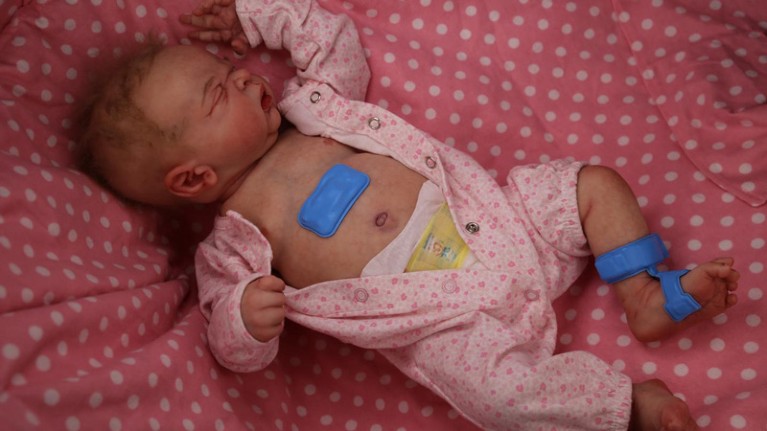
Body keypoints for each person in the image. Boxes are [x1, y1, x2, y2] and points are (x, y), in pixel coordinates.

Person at [77, 0, 740, 429]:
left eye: (230, 70)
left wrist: (255, 17)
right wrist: (246, 316)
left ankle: (643, 291)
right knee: (499, 399)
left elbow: (329, 38)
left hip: (497, 222)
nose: (246, 77)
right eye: (218, 93)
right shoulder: (232, 246)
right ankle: (627, 406)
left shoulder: (315, 110)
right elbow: (229, 340)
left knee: (589, 184)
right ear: (193, 177)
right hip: (440, 318)